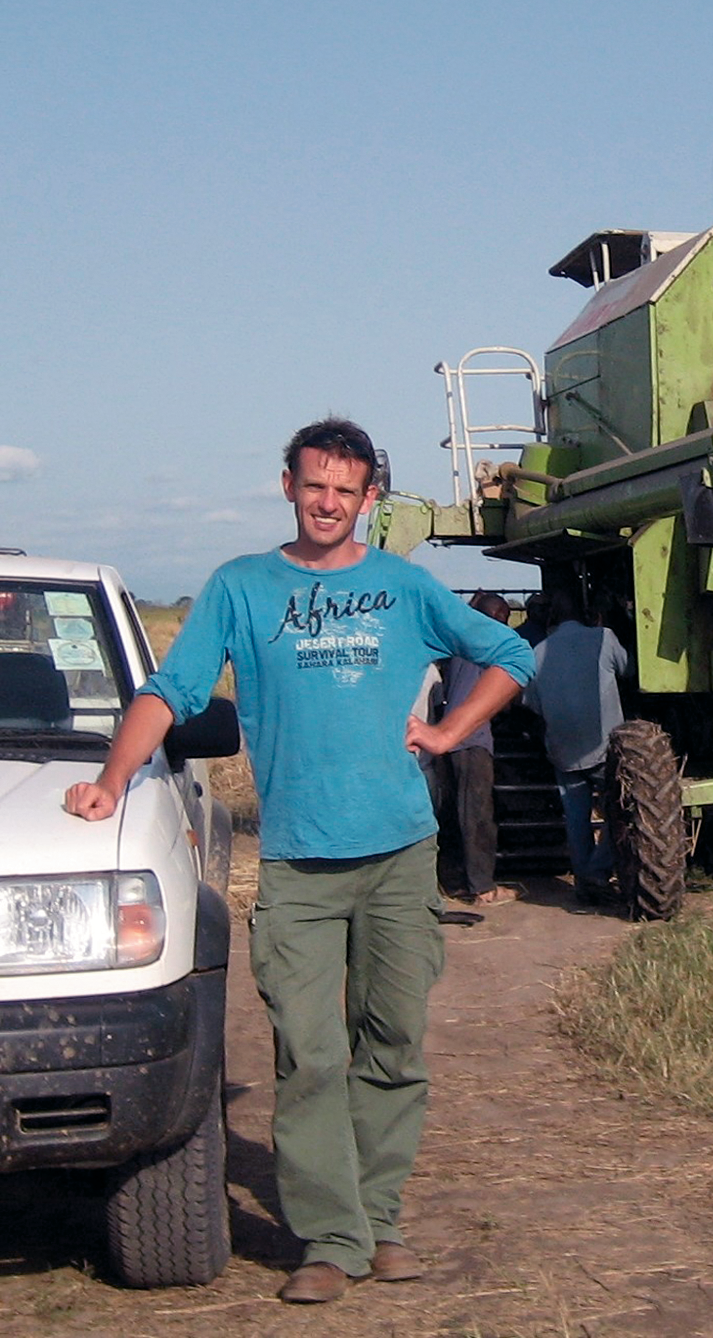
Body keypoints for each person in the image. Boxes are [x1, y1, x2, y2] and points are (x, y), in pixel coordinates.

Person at [64, 417, 534, 1304]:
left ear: (368, 498)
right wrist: (110, 781)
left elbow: (510, 654)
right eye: (315, 485)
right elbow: (171, 691)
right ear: (288, 485)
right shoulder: (241, 587)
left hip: (399, 855)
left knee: (392, 1042)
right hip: (298, 863)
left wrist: (446, 732)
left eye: (345, 490)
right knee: (310, 1054)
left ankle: (379, 1220)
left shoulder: (404, 585)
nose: (328, 502)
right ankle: (329, 1236)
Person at [520, 582, 629, 904]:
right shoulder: (603, 638)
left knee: (577, 818)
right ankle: (597, 872)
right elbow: (629, 669)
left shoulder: (537, 653)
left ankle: (584, 882)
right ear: (587, 614)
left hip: (562, 749)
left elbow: (531, 704)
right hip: (603, 746)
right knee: (620, 810)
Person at [435, 591, 517, 906]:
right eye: (505, 618)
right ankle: (482, 888)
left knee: (454, 814)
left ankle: (454, 881)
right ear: (495, 616)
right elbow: (502, 696)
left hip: (450, 737)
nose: (506, 625)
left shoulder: (460, 644)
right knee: (478, 816)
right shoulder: (488, 645)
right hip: (472, 740)